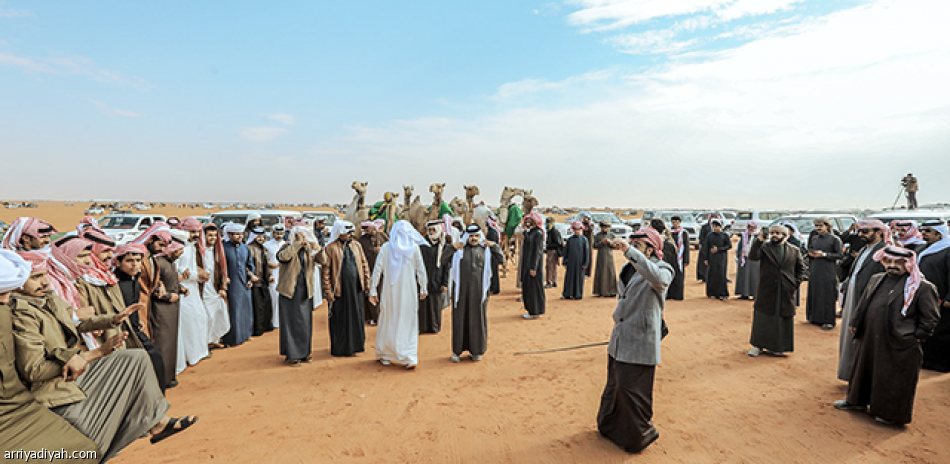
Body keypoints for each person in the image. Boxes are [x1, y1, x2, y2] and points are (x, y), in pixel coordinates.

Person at [11, 252, 197, 460]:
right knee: (89, 432)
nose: (45, 282)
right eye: (36, 277)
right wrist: (97, 353)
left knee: (136, 358)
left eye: (44, 275)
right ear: (16, 282)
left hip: (73, 371)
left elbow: (75, 322)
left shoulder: (48, 297)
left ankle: (157, 423)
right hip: (52, 388)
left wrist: (114, 319)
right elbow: (34, 371)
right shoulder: (22, 313)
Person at [0, 251, 100, 461]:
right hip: (31, 399)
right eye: (2, 293)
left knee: (85, 448)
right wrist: (95, 353)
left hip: (18, 405)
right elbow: (33, 368)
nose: (6, 300)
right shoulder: (19, 310)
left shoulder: (37, 301)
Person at [833, 246, 939, 425]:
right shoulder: (877, 279)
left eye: (898, 263)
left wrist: (914, 337)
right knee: (862, 370)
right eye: (888, 261)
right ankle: (856, 402)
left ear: (909, 264)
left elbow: (930, 319)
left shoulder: (921, 287)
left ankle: (888, 414)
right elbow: (864, 303)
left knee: (891, 378)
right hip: (869, 337)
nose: (892, 266)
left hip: (898, 342)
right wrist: (855, 322)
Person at [597, 227, 673, 454]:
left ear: (651, 249)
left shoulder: (663, 269)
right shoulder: (626, 268)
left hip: (640, 340)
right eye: (631, 245)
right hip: (620, 336)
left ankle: (639, 436)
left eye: (638, 246)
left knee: (632, 390)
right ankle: (609, 426)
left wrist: (630, 251)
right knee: (614, 385)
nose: (630, 250)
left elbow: (657, 279)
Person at [369, 221, 428, 369]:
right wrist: (423, 287)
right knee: (407, 322)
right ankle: (408, 357)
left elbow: (377, 271)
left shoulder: (386, 248)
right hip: (408, 293)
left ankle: (386, 354)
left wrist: (373, 289)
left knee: (389, 320)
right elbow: (421, 271)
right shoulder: (413, 248)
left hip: (390, 292)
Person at [838, 219, 889, 381]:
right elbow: (856, 272)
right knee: (849, 338)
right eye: (859, 231)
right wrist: (846, 283)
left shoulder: (885, 252)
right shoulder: (864, 250)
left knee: (861, 339)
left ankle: (860, 380)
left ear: (879, 232)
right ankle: (850, 374)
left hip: (867, 300)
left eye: (865, 232)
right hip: (853, 296)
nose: (860, 235)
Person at [113, 243, 168, 393]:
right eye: (129, 260)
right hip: (122, 333)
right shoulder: (114, 283)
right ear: (118, 262)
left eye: (138, 260)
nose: (135, 264)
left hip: (135, 329)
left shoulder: (134, 279)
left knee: (155, 360)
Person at [747, 225, 806, 357]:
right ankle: (758, 346)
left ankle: (779, 347)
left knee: (782, 320)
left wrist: (795, 284)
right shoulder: (764, 248)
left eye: (778, 233)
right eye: (773, 232)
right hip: (767, 289)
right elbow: (752, 256)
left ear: (785, 236)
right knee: (763, 318)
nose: (774, 235)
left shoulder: (794, 250)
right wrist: (759, 240)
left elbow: (801, 269)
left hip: (785, 290)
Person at [450, 225, 504, 363]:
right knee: (460, 320)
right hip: (461, 293)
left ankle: (476, 350)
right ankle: (457, 351)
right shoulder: (460, 250)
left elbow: (501, 260)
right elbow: (444, 259)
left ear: (480, 236)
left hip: (479, 293)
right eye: (471, 236)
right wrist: (451, 247)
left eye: (476, 236)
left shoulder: (485, 250)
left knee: (477, 321)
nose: (473, 238)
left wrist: (495, 246)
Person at [276, 226, 325, 367]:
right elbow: (283, 257)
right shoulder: (286, 247)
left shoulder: (309, 250)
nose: (304, 238)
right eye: (300, 235)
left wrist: (318, 248)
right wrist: (296, 244)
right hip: (290, 291)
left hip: (305, 291)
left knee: (305, 323)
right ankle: (292, 355)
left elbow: (324, 261)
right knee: (290, 323)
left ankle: (305, 353)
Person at [321, 221, 371, 357]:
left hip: (356, 289)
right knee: (341, 320)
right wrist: (328, 292)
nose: (351, 235)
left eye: (351, 232)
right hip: (340, 292)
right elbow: (325, 273)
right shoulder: (330, 248)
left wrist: (367, 283)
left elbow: (364, 264)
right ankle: (341, 348)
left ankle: (356, 346)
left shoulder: (356, 245)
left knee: (357, 317)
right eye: (347, 232)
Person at [173, 220, 210, 372]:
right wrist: (196, 274)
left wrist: (199, 274)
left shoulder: (191, 247)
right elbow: (179, 271)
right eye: (192, 232)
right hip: (184, 290)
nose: (195, 235)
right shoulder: (178, 247)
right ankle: (190, 356)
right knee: (188, 322)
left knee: (200, 318)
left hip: (193, 288)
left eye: (197, 232)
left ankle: (199, 352)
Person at [151, 235, 184, 389]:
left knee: (171, 344)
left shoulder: (170, 263)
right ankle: (162, 380)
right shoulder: (158, 263)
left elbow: (171, 282)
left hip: (172, 309)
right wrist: (170, 296)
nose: (181, 252)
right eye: (179, 249)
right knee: (163, 344)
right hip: (161, 310)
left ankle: (170, 376)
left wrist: (181, 289)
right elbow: (155, 287)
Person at [918, 220, 950, 372]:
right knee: (926, 329)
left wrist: (948, 299)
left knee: (941, 332)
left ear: (939, 234)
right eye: (923, 230)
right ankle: (925, 360)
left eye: (928, 231)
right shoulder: (923, 249)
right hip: (924, 298)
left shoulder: (947, 250)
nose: (923, 233)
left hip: (942, 299)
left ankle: (941, 364)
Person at [806, 217, 844, 330]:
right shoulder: (814, 238)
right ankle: (814, 318)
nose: (818, 228)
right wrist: (811, 254)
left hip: (828, 271)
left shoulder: (834, 239)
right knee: (815, 293)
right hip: (815, 270)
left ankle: (828, 321)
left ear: (827, 226)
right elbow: (809, 250)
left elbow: (840, 255)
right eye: (816, 226)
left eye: (820, 226)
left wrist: (824, 255)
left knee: (827, 295)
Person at [222, 223, 254, 347]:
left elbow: (250, 264)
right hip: (232, 284)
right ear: (229, 235)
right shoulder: (224, 248)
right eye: (236, 234)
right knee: (234, 311)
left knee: (246, 309)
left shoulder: (245, 248)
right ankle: (233, 338)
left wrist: (251, 278)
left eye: (241, 234)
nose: (239, 236)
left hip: (245, 284)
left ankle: (245, 334)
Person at [419, 220, 453, 334]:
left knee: (435, 305)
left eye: (433, 230)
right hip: (425, 279)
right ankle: (423, 327)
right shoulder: (423, 245)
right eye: (430, 230)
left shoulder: (444, 246)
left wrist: (445, 283)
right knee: (424, 305)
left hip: (437, 280)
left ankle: (434, 327)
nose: (431, 232)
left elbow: (446, 266)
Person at [201, 223, 230, 349]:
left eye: (214, 235)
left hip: (214, 288)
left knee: (220, 313)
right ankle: (205, 343)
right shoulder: (199, 251)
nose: (212, 238)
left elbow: (222, 269)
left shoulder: (217, 251)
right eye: (209, 235)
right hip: (202, 289)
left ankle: (215, 339)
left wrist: (222, 286)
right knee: (207, 316)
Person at [358, 220, 389, 326]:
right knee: (368, 292)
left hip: (381, 270)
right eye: (364, 229)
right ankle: (370, 317)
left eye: (368, 229)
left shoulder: (382, 236)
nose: (366, 231)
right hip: (367, 270)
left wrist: (382, 250)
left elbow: (391, 248)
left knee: (380, 292)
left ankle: (380, 316)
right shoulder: (360, 240)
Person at [246, 227, 274, 337]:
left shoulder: (264, 249)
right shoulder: (249, 248)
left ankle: (265, 326)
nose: (261, 238)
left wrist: (270, 275)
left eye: (262, 236)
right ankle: (257, 330)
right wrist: (251, 276)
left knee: (266, 304)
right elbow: (245, 266)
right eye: (258, 236)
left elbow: (266, 264)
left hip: (263, 281)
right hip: (254, 282)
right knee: (257, 307)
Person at [521, 212, 546, 318]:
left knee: (534, 289)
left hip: (534, 266)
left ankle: (535, 311)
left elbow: (537, 252)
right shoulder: (532, 232)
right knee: (529, 288)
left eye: (530, 220)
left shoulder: (538, 233)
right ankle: (532, 310)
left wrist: (533, 267)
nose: (528, 222)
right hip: (529, 264)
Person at [702, 219, 732, 301]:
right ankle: (712, 293)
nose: (715, 228)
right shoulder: (709, 235)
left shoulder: (725, 235)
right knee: (712, 275)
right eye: (713, 226)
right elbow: (706, 247)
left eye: (717, 226)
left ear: (721, 226)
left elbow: (729, 246)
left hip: (722, 258)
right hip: (712, 259)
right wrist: (705, 258)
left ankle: (722, 294)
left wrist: (719, 249)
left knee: (721, 275)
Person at [264, 224, 286, 329]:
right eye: (277, 233)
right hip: (272, 274)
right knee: (274, 297)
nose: (279, 235)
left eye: (281, 233)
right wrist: (269, 265)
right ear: (273, 233)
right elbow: (263, 260)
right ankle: (274, 321)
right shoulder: (267, 245)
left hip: (283, 274)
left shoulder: (286, 245)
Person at [562, 222, 590, 300]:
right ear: (573, 230)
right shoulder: (570, 239)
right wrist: (564, 261)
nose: (577, 231)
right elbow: (566, 251)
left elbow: (587, 252)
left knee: (579, 279)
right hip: (571, 262)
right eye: (575, 229)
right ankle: (567, 294)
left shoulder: (584, 240)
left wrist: (586, 263)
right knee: (569, 278)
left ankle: (578, 295)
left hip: (580, 263)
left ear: (581, 230)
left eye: (578, 229)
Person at [734, 221, 761, 300]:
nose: (751, 228)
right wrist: (739, 256)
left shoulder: (758, 236)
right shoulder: (744, 235)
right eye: (749, 226)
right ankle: (744, 294)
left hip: (755, 261)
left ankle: (754, 294)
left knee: (754, 277)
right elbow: (740, 246)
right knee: (743, 277)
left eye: (752, 227)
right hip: (744, 259)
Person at [592, 221, 618, 298]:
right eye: (603, 227)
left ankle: (612, 292)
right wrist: (601, 242)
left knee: (611, 273)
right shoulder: (598, 235)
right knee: (601, 272)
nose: (605, 229)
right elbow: (594, 246)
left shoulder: (612, 235)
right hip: (601, 256)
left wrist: (610, 243)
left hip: (610, 256)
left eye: (606, 227)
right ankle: (601, 292)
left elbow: (616, 246)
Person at [667, 216, 690, 300]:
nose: (675, 224)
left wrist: (686, 260)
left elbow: (686, 247)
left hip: (680, 258)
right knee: (669, 275)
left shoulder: (683, 233)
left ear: (679, 222)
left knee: (679, 276)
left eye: (676, 222)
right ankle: (669, 294)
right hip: (670, 257)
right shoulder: (668, 232)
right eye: (673, 222)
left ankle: (678, 295)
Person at [485, 215, 503, 295]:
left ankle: (494, 289)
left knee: (493, 272)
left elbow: (492, 243)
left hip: (493, 254)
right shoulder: (493, 230)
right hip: (493, 253)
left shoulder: (492, 231)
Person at [696, 214, 715, 282]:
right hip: (705, 249)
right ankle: (704, 277)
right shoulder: (704, 227)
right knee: (704, 264)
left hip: (715, 250)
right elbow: (701, 238)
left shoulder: (719, 228)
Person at [544, 216, 562, 288]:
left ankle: (550, 282)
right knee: (553, 267)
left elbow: (558, 243)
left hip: (552, 251)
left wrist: (548, 245)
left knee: (550, 267)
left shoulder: (553, 231)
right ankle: (553, 281)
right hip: (553, 251)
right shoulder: (553, 231)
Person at [581, 213, 594, 278]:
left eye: (587, 218)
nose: (585, 219)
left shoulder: (591, 225)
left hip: (589, 242)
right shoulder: (582, 224)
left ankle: (588, 273)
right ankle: (583, 272)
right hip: (582, 242)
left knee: (589, 257)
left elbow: (590, 230)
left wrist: (588, 224)